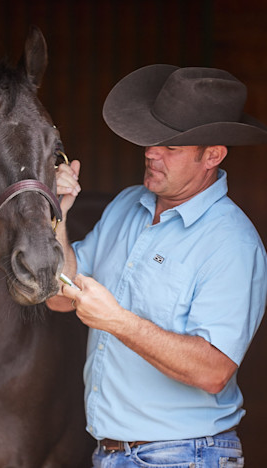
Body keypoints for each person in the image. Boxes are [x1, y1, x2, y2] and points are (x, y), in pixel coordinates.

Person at [47, 65, 267, 467]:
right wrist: (58, 218)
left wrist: (117, 321)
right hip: (112, 453)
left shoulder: (232, 243)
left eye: (171, 146)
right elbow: (60, 297)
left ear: (212, 156)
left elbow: (213, 371)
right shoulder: (127, 205)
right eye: (152, 140)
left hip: (186, 456)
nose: (151, 151)